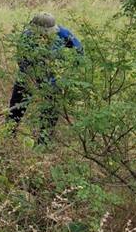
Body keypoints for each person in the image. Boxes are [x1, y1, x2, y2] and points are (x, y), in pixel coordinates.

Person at [7, 13, 83, 143]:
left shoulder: (62, 33)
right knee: (17, 106)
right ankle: (8, 135)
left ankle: (43, 142)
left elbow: (79, 50)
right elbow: (22, 62)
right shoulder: (27, 37)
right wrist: (34, 82)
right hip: (28, 76)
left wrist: (69, 73)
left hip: (53, 80)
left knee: (51, 110)